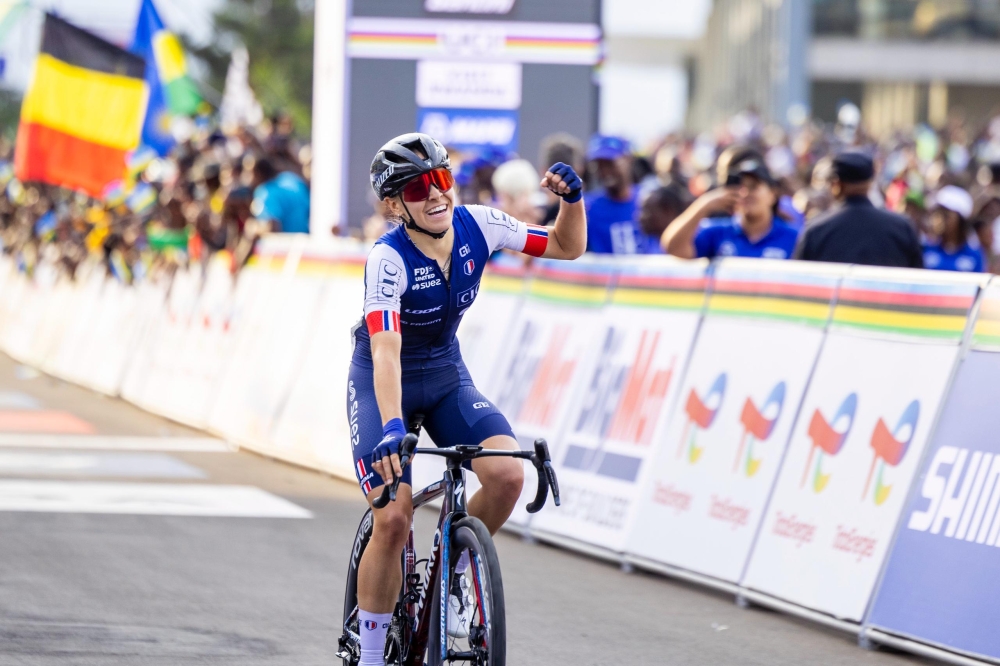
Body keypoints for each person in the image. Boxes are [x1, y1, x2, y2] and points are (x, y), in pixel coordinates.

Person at [348, 132, 586, 666]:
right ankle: (368, 654)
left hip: (445, 372)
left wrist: (573, 203)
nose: (435, 194)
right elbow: (386, 353)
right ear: (392, 205)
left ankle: (454, 565)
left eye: (441, 178)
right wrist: (391, 428)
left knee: (507, 475)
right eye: (417, 188)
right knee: (393, 516)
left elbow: (566, 245)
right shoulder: (386, 259)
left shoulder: (481, 223)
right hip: (384, 378)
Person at [794, 151, 923, 268]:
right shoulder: (901, 227)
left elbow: (799, 284)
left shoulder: (817, 230)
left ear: (836, 185)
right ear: (870, 183)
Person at [661, 152, 798, 259]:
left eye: (753, 187)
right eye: (740, 187)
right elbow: (673, 247)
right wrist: (704, 205)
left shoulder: (794, 237)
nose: (745, 193)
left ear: (772, 194)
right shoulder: (718, 232)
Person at [583, 135, 659, 254]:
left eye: (610, 164)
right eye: (599, 166)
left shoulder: (650, 199)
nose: (605, 172)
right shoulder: (587, 207)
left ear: (628, 159)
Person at [922, 185, 983, 272]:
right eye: (937, 214)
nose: (939, 220)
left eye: (946, 215)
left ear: (960, 220)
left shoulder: (973, 254)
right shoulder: (925, 248)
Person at [249, 156, 310, 233]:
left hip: (284, 242)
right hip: (306, 239)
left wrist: (254, 229)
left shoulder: (265, 191)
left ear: (258, 174)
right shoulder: (292, 178)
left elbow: (273, 225)